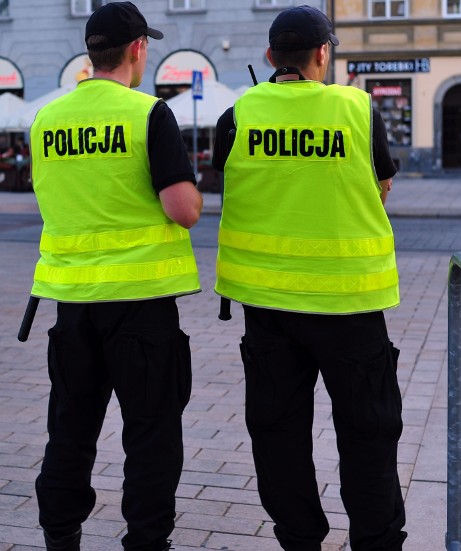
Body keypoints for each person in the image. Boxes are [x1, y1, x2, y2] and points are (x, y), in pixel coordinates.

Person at [212, 5, 406, 550]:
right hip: (351, 304)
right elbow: (382, 185)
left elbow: (228, 184)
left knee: (278, 435)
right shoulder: (358, 111)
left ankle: (299, 539)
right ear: (324, 53)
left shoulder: (238, 114)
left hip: (268, 308)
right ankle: (376, 539)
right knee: (368, 434)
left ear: (271, 57)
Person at [29, 2, 202, 550]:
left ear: (90, 51)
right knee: (150, 435)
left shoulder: (47, 119)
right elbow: (183, 209)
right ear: (137, 50)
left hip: (72, 303)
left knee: (70, 432)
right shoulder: (148, 113)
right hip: (140, 306)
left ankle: (60, 537)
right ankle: (146, 541)